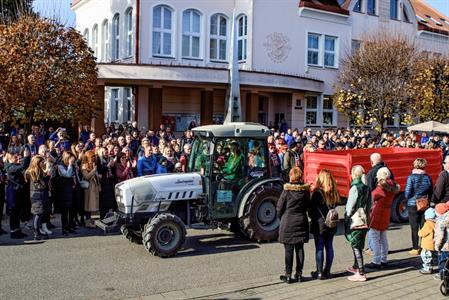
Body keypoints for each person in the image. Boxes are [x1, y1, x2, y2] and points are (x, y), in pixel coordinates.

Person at [276, 167, 310, 284]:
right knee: (300, 249)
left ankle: (288, 275)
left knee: (288, 250)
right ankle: (299, 274)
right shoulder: (305, 191)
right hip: (301, 220)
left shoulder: (287, 191)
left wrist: (282, 217)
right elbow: (307, 206)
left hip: (288, 221)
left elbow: (279, 208)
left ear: (291, 176)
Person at [308, 169, 339, 280]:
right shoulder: (334, 191)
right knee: (329, 247)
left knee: (319, 247)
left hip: (320, 223)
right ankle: (328, 271)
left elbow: (311, 211)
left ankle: (319, 272)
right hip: (331, 223)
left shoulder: (317, 193)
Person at [366, 167, 399, 269]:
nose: (376, 176)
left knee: (374, 237)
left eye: (378, 175)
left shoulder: (381, 187)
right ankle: (383, 259)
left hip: (378, 214)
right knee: (383, 238)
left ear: (382, 175)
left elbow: (371, 196)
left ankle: (376, 261)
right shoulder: (392, 185)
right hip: (386, 213)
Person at [345, 165, 371, 282]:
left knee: (356, 244)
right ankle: (356, 267)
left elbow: (350, 206)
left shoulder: (355, 187)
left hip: (356, 219)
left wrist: (347, 216)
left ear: (354, 175)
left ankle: (361, 272)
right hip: (364, 217)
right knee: (358, 242)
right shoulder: (367, 187)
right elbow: (369, 205)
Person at [404, 158, 433, 255]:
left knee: (414, 227)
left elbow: (407, 192)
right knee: (423, 225)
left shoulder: (411, 177)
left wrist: (408, 198)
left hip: (412, 204)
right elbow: (431, 191)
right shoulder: (428, 177)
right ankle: (424, 246)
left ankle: (415, 248)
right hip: (424, 203)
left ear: (415, 165)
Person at [5, 151, 30, 239]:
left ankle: (18, 230)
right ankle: (13, 232)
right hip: (13, 193)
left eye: (18, 157)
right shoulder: (9, 167)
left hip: (18, 192)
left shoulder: (15, 166)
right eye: (16, 158)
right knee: (14, 213)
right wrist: (26, 157)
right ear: (10, 159)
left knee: (18, 212)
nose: (18, 159)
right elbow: (22, 166)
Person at [24, 155, 50, 240]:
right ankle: (36, 232)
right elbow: (41, 185)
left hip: (37, 194)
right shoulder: (35, 171)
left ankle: (38, 231)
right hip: (37, 195)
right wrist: (47, 175)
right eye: (42, 162)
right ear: (37, 163)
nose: (43, 163)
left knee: (39, 213)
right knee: (38, 214)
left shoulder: (36, 171)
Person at [55, 152, 76, 235]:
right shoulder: (61, 166)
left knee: (72, 210)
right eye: (71, 159)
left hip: (71, 189)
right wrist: (70, 165)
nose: (73, 160)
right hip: (64, 190)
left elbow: (74, 175)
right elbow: (67, 174)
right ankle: (64, 228)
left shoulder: (72, 165)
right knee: (64, 211)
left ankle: (71, 226)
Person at [81, 150, 100, 228]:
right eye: (92, 156)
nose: (93, 158)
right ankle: (87, 222)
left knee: (92, 205)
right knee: (88, 205)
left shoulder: (93, 164)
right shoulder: (84, 165)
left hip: (94, 187)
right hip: (88, 188)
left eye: (94, 156)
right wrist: (94, 170)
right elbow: (86, 176)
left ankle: (90, 220)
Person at [96, 147, 116, 219]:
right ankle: (102, 217)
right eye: (105, 152)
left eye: (107, 152)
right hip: (103, 182)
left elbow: (113, 171)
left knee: (109, 201)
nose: (107, 154)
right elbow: (100, 170)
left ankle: (108, 217)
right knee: (103, 201)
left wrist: (112, 166)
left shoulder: (109, 160)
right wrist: (107, 166)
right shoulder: (98, 160)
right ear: (101, 152)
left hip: (109, 182)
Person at [418, 208, 436, 274]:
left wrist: (419, 232)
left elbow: (421, 233)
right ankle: (430, 267)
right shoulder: (436, 223)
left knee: (425, 256)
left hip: (427, 245)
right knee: (431, 256)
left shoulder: (428, 224)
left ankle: (427, 268)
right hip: (433, 243)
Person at [434, 202, 449, 280]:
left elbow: (440, 236)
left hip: (446, 247)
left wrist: (437, 247)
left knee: (443, 262)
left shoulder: (441, 220)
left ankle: (442, 275)